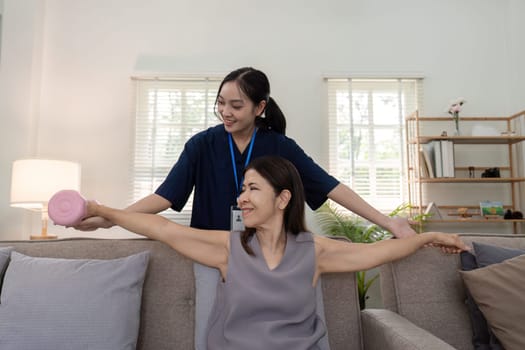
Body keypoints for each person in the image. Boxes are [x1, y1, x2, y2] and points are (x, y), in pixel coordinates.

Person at [75, 67, 417, 349]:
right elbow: (165, 197)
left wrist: (388, 223)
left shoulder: (280, 146)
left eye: (236, 105)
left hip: (271, 257)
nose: (226, 112)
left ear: (260, 107)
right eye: (221, 103)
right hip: (218, 256)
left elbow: (330, 186)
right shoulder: (202, 145)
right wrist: (110, 217)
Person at [83, 156, 468, 350]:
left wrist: (425, 236)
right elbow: (161, 228)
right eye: (242, 189)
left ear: (283, 198)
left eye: (252, 189)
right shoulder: (227, 249)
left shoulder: (314, 251)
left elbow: (378, 253)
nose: (241, 198)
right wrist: (102, 210)